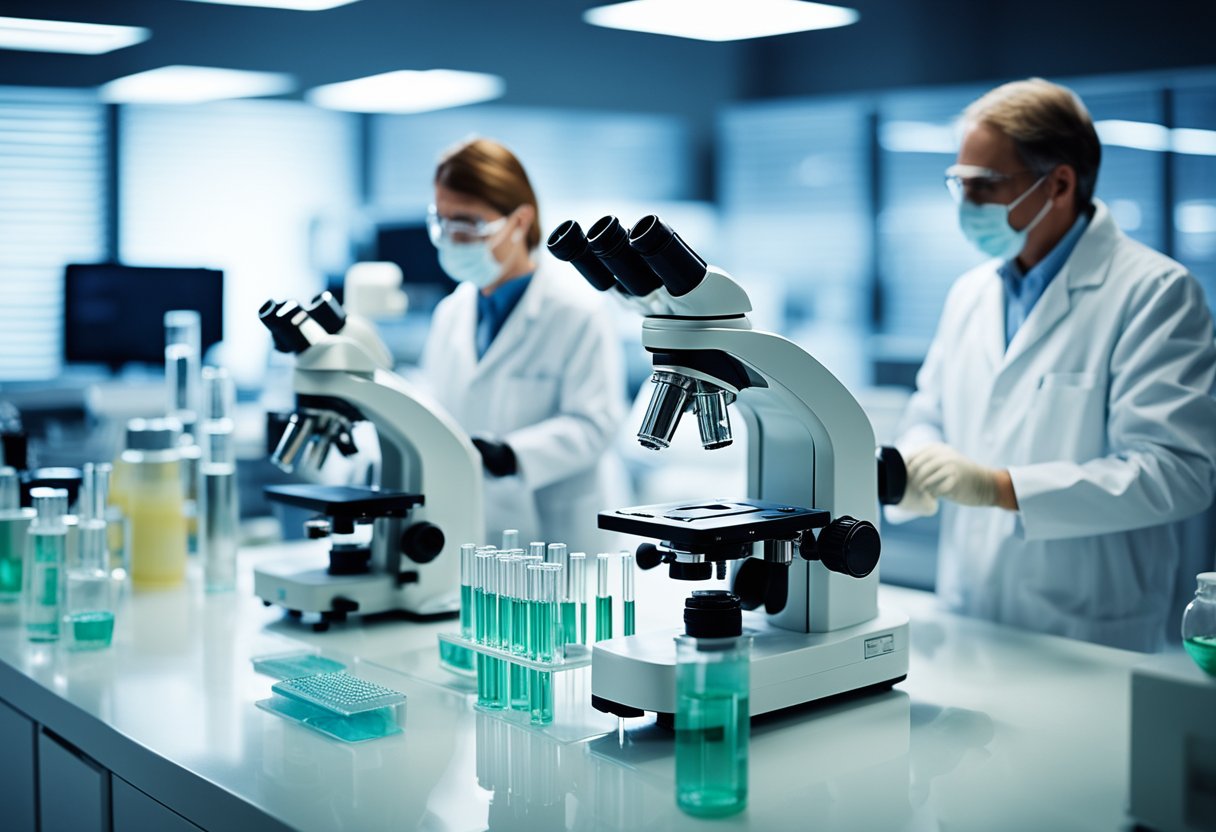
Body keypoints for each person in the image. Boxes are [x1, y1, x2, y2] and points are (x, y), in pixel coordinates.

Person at [890, 78, 1216, 652]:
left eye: (986, 186)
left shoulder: (1154, 293)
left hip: (1089, 632)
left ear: (1059, 183)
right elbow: (929, 412)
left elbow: (1179, 475)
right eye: (960, 185)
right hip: (968, 611)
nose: (967, 205)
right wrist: (919, 457)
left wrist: (1001, 488)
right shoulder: (970, 292)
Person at [419, 137, 628, 551]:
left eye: (467, 224)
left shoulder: (577, 311)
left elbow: (597, 424)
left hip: (564, 538)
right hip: (476, 527)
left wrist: (511, 454)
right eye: (441, 221)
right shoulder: (451, 313)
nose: (450, 238)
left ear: (519, 221)